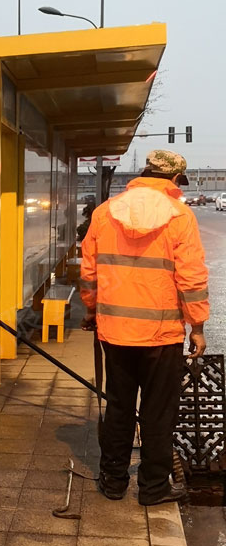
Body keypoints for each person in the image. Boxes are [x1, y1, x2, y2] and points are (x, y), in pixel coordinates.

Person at [80, 150, 209, 506]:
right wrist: (196, 326)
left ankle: (113, 482)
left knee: (119, 407)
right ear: (175, 180)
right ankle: (153, 488)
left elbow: (89, 272)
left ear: (143, 173)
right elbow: (192, 279)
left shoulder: (105, 213)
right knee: (158, 412)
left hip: (115, 332)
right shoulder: (181, 216)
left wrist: (92, 311)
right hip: (163, 336)